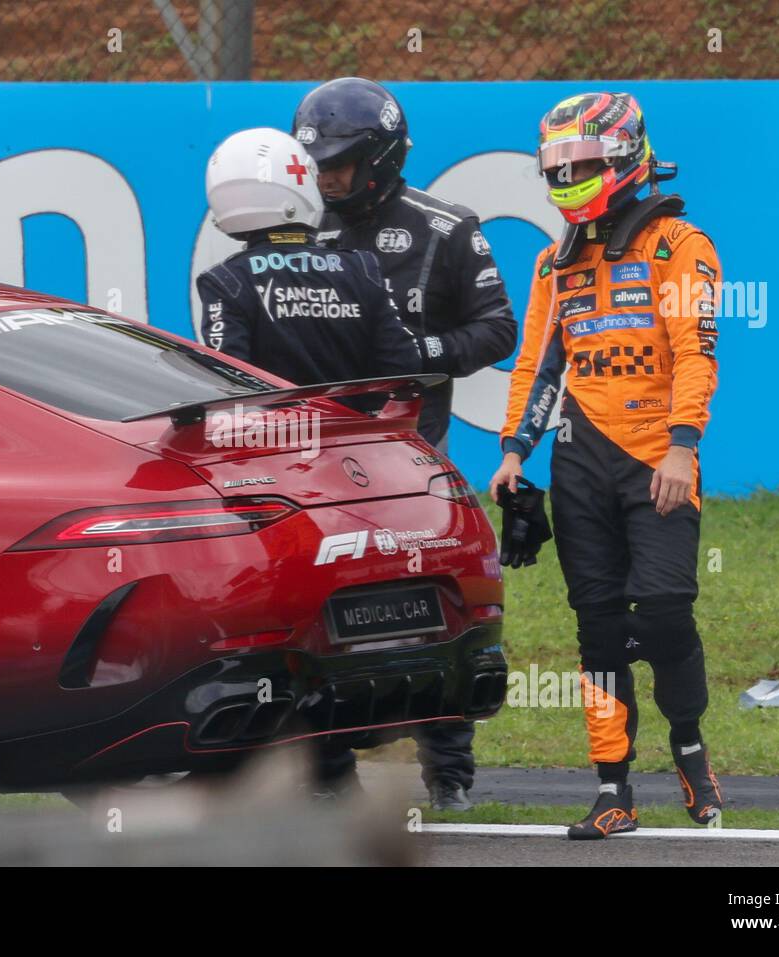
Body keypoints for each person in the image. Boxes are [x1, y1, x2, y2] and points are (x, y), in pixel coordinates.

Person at [490, 91, 723, 839]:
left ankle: (689, 748)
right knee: (596, 630)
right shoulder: (553, 260)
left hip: (659, 456)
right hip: (578, 460)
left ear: (624, 158)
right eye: (557, 166)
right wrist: (512, 451)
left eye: (582, 164)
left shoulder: (681, 244)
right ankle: (612, 788)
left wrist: (683, 445)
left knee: (662, 610)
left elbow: (696, 351)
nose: (567, 178)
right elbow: (536, 365)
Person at [292, 76, 517, 812]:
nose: (326, 178)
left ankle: (448, 772)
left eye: (340, 163)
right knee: (314, 614)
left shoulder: (447, 228)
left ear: (383, 157)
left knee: (435, 610)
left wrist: (418, 354)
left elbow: (498, 327)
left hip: (413, 459)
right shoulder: (299, 227)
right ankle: (330, 775)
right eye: (317, 163)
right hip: (317, 468)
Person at [197, 127, 421, 388]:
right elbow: (405, 366)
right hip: (357, 426)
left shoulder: (226, 281)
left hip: (274, 428)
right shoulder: (362, 268)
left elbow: (229, 381)